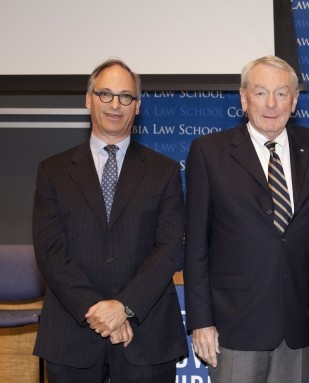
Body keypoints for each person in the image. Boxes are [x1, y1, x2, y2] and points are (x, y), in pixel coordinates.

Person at [32, 59, 187, 382]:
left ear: (138, 106)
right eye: (105, 94)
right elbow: (50, 250)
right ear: (88, 100)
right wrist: (98, 310)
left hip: (147, 333)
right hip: (71, 333)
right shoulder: (53, 171)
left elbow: (168, 248)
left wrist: (124, 307)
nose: (115, 105)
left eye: (126, 97)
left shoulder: (165, 172)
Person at [184, 55, 309, 383]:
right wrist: (200, 322)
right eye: (260, 92)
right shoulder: (209, 152)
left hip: (297, 322)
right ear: (243, 98)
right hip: (234, 324)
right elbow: (196, 246)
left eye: (281, 94)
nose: (271, 104)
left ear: (294, 101)